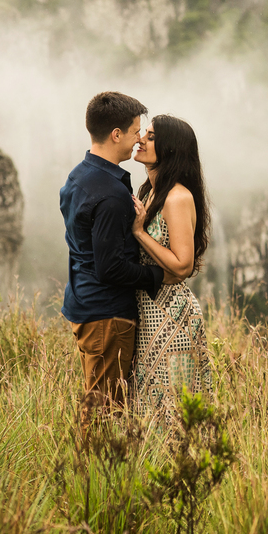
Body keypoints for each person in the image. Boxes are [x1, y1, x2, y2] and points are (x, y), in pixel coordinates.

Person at [60, 92, 178, 420]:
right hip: (106, 313)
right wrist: (160, 276)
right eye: (135, 131)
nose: (139, 138)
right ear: (116, 135)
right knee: (104, 411)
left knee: (98, 400)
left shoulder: (78, 177)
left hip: (84, 302)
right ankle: (94, 470)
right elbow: (111, 267)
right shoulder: (111, 195)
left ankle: (96, 467)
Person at [130, 114, 214, 423]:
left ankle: (181, 470)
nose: (141, 139)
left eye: (151, 137)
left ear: (170, 149)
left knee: (173, 406)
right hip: (147, 310)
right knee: (147, 403)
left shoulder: (178, 197)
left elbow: (182, 265)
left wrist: (139, 233)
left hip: (171, 315)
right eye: (144, 134)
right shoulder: (149, 192)